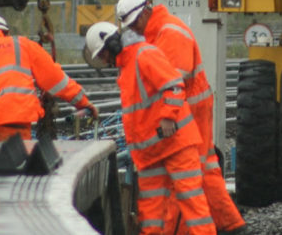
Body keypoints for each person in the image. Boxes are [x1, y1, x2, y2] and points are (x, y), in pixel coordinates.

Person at [116, 0, 247, 235]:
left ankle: (203, 227)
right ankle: (230, 224)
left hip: (189, 109)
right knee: (203, 169)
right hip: (187, 107)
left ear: (146, 11)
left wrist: (166, 113)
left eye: (135, 22)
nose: (135, 28)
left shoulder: (169, 32)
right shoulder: (157, 32)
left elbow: (173, 79)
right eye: (130, 25)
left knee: (189, 175)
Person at [85, 22, 216, 235]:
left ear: (113, 45)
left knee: (193, 204)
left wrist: (167, 118)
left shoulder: (144, 55)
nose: (103, 60)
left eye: (102, 54)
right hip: (150, 153)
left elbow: (174, 86)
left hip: (176, 145)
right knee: (150, 213)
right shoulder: (127, 67)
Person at [0, 14, 96, 141]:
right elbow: (56, 80)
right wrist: (83, 102)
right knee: (17, 167)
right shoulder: (23, 45)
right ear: (6, 32)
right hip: (17, 123)